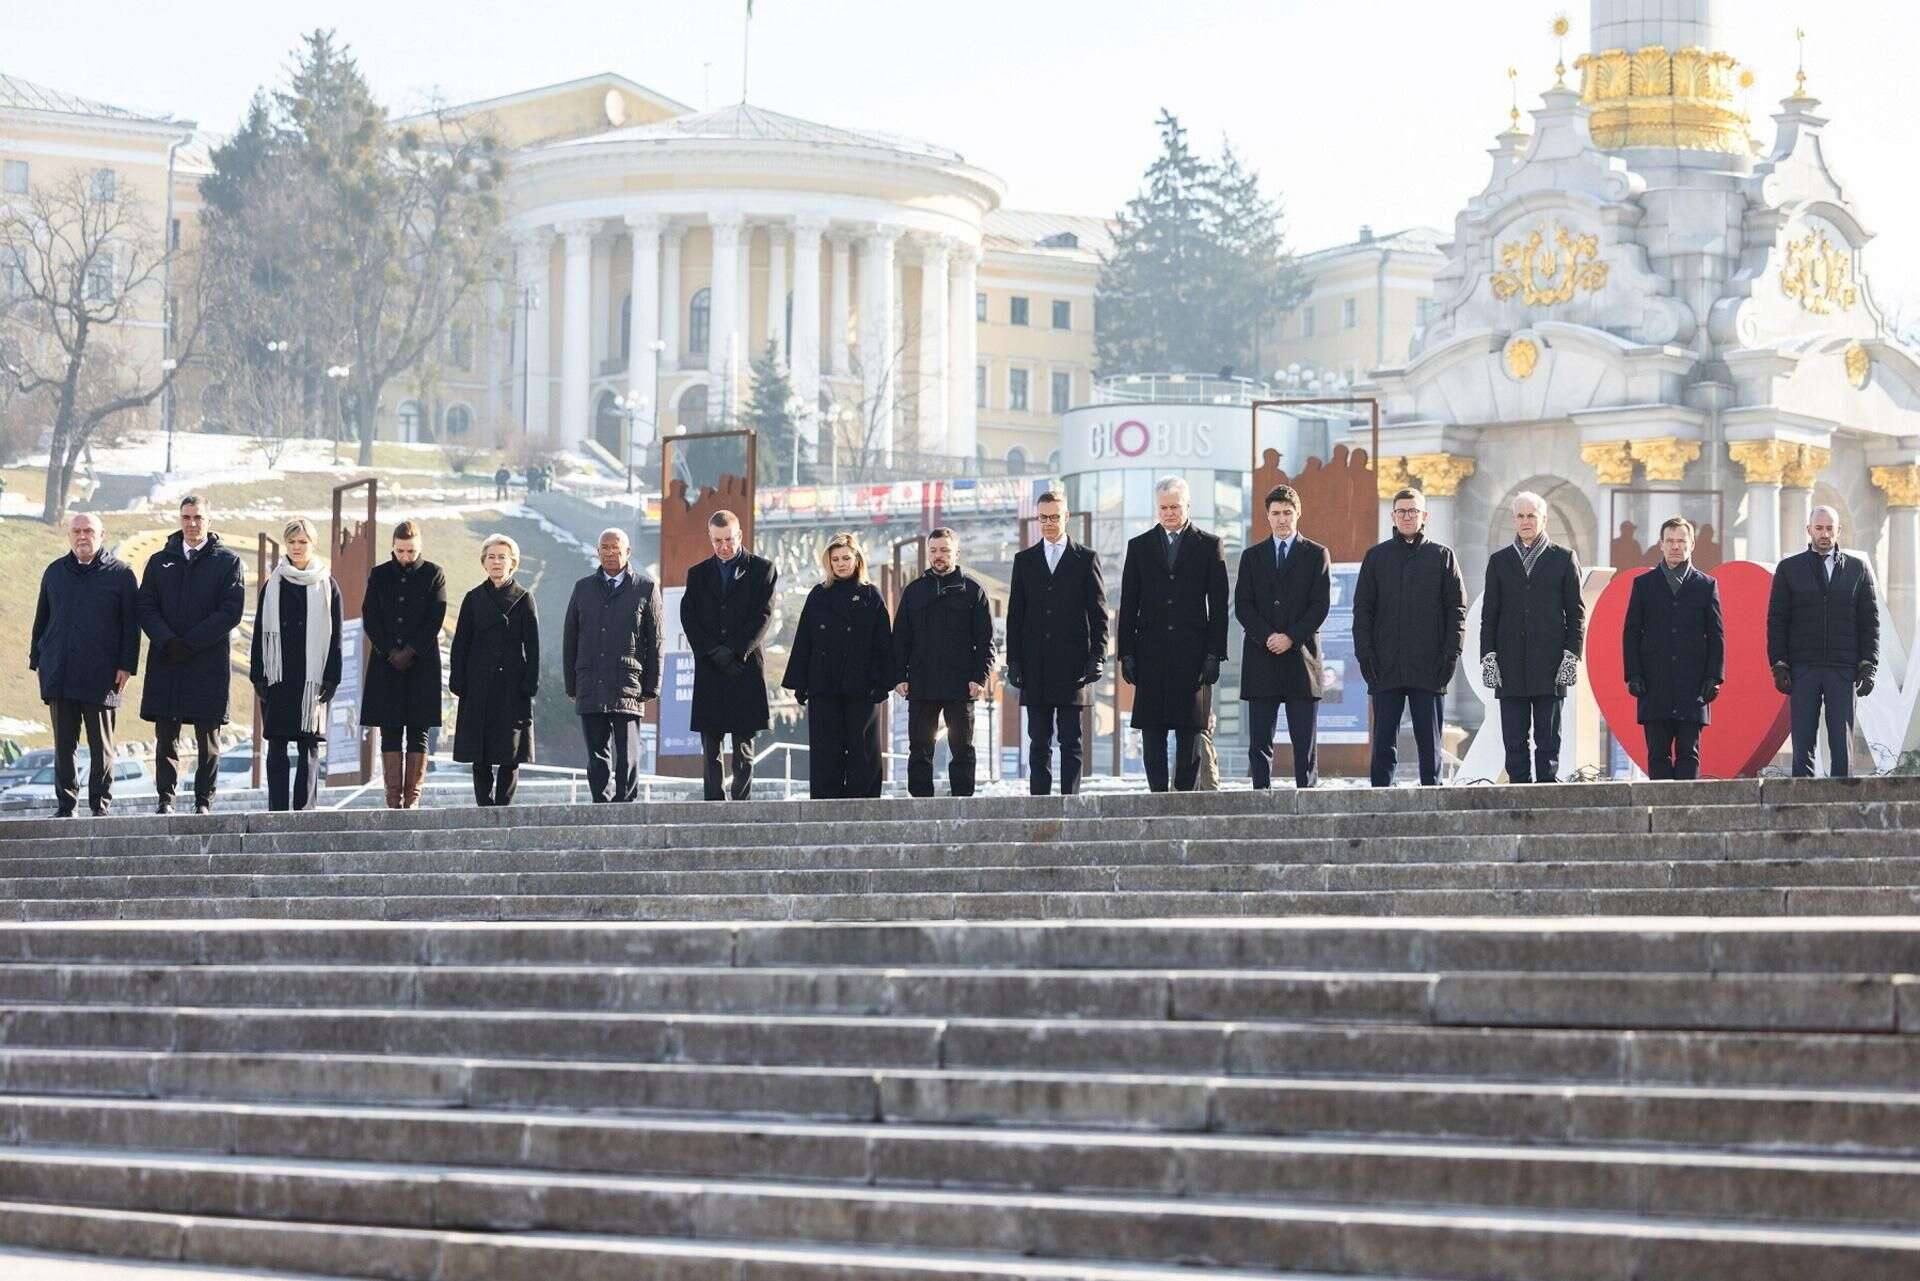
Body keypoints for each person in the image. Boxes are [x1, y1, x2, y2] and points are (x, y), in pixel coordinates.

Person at [1118, 476, 1229, 792]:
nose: (1169, 513)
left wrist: (1214, 654)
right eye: (1163, 507)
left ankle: (1183, 795)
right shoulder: (1139, 547)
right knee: (1152, 728)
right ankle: (1157, 794)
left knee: (1189, 728)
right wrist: (1125, 652)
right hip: (1149, 651)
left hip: (1192, 653)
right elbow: (1128, 602)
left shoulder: (1209, 545)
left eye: (1175, 507)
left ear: (1187, 505)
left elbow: (1219, 605)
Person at [137, 495, 246, 814]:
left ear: (209, 520)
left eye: (198, 517)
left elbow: (230, 611)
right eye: (186, 517)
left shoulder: (227, 562)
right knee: (166, 736)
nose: (192, 523)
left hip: (207, 663)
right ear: (180, 519)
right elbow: (145, 606)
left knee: (207, 738)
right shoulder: (159, 561)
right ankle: (165, 799)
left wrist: (191, 642)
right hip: (167, 659)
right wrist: (168, 641)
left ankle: (203, 800)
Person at [29, 513, 139, 817]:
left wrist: (126, 665)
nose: (82, 536)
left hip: (102, 675)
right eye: (76, 531)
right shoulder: (54, 572)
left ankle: (100, 804)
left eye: (88, 531)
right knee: (64, 744)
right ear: (69, 536)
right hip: (60, 671)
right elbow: (42, 620)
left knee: (101, 744)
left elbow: (131, 626)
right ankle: (66, 805)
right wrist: (38, 659)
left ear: (101, 535)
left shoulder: (121, 574)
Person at [1354, 487, 1466, 787]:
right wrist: (1365, 654)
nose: (1407, 516)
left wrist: (1451, 653)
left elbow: (1457, 610)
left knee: (1429, 744)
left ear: (1424, 516)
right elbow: (1362, 610)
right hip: (1384, 665)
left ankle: (1434, 798)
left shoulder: (1442, 556)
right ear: (1392, 515)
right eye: (1401, 511)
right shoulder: (1376, 557)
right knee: (1383, 744)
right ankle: (1380, 801)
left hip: (1429, 666)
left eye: (1413, 511)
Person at [1478, 491, 1585, 783]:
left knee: (1548, 739)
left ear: (1544, 519)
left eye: (1532, 516)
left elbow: (1576, 613)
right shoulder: (1499, 561)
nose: (1526, 521)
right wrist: (1488, 657)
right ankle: (1518, 792)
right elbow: (1490, 614)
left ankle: (1547, 791)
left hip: (1550, 665)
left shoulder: (1563, 559)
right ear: (1514, 519)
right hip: (1510, 665)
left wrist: (1571, 656)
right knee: (1514, 739)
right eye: (1521, 516)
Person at [1006, 492, 1108, 795]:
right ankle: (1040, 802)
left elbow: (1099, 614)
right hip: (1035, 666)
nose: (1049, 523)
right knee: (1038, 740)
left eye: (1054, 516)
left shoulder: (1086, 558)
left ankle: (1071, 801)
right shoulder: (1024, 561)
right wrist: (1014, 662)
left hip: (1073, 666)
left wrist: (1097, 657)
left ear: (1067, 517)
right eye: (1043, 517)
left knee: (1070, 740)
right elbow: (1015, 616)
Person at [1767, 505, 1879, 777]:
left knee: (1842, 741)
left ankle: (1843, 798)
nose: (1825, 534)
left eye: (1830, 528)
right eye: (1819, 528)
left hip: (1843, 667)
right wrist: (1779, 664)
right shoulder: (1789, 569)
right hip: (1802, 666)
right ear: (1809, 530)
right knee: (1803, 736)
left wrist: (1869, 665)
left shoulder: (1857, 569)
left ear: (1838, 530)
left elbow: (1869, 621)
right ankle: (1801, 800)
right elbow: (1777, 620)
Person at [1235, 484, 1332, 789]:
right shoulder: (1252, 557)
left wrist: (1290, 637)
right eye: (1275, 513)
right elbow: (1243, 606)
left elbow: (1320, 605)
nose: (1281, 519)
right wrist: (1269, 637)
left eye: (1287, 513)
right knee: (1260, 742)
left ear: (1297, 513)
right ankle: (1260, 798)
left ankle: (1308, 796)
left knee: (1304, 743)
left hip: (1300, 659)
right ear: (1267, 516)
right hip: (1261, 658)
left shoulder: (1316, 554)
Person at [783, 532, 893, 799]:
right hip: (824, 684)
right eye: (835, 559)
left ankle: (864, 802)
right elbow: (804, 640)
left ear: (857, 560)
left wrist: (883, 682)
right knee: (825, 748)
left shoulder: (871, 596)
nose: (841, 563)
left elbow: (884, 645)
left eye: (846, 558)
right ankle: (824, 799)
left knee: (863, 746)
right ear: (828, 563)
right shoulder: (818, 595)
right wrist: (799, 682)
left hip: (862, 685)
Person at [248, 518, 343, 812]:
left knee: (308, 745)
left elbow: (336, 634)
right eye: (292, 542)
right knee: (276, 744)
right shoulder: (273, 583)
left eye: (303, 542)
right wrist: (258, 674)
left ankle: (305, 810)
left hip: (311, 677)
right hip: (278, 675)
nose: (297, 548)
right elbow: (260, 630)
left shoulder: (328, 585)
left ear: (312, 544)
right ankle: (276, 808)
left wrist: (331, 677)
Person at [683, 510, 778, 801]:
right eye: (717, 540)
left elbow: (763, 615)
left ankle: (741, 800)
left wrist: (736, 650)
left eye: (728, 539)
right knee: (710, 744)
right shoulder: (697, 574)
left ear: (739, 536)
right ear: (710, 538)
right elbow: (689, 616)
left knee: (743, 744)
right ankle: (713, 798)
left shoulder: (763, 569)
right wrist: (711, 650)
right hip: (710, 666)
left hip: (744, 666)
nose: (723, 546)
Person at [563, 527, 662, 804]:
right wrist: (572, 684)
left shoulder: (645, 587)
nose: (609, 553)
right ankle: (600, 802)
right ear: (597, 552)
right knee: (596, 753)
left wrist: (652, 685)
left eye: (615, 548)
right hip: (590, 682)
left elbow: (655, 641)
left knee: (628, 751)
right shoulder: (582, 588)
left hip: (628, 683)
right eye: (604, 548)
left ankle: (625, 803)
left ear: (627, 552)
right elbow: (570, 638)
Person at [894, 527, 994, 798]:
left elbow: (986, 642)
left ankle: (962, 802)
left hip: (961, 684)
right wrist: (899, 677)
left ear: (956, 553)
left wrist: (980, 677)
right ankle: (920, 804)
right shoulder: (913, 591)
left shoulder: (973, 591)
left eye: (944, 550)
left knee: (962, 748)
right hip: (921, 683)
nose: (938, 556)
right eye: (934, 551)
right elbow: (900, 639)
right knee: (919, 748)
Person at [1623, 516, 1724, 780]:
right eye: (1670, 541)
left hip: (1693, 685)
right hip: (1653, 683)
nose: (1675, 546)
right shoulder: (1643, 585)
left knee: (1689, 752)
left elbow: (1715, 635)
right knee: (1657, 753)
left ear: (1691, 544)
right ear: (1661, 544)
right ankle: (1659, 812)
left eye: (1681, 541)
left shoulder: (1706, 585)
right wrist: (1633, 674)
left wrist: (1714, 677)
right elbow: (1631, 632)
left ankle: (1686, 815)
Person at [359, 520, 448, 809]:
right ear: (393, 547)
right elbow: (370, 616)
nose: (405, 556)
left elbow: (435, 617)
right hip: (386, 662)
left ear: (419, 547)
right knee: (390, 729)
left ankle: (412, 798)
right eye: (400, 551)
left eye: (410, 551)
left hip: (421, 663)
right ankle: (391, 797)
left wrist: (410, 651)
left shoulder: (434, 574)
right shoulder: (379, 574)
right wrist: (389, 651)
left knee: (419, 730)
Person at [449, 534, 539, 806]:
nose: (496, 562)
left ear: (513, 562)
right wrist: (459, 678)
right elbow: (461, 643)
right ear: (483, 563)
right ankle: (483, 804)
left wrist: (529, 683)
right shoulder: (473, 599)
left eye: (502, 557)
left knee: (510, 750)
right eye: (491, 557)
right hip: (478, 682)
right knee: (480, 748)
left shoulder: (524, 598)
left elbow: (532, 646)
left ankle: (504, 805)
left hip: (512, 684)